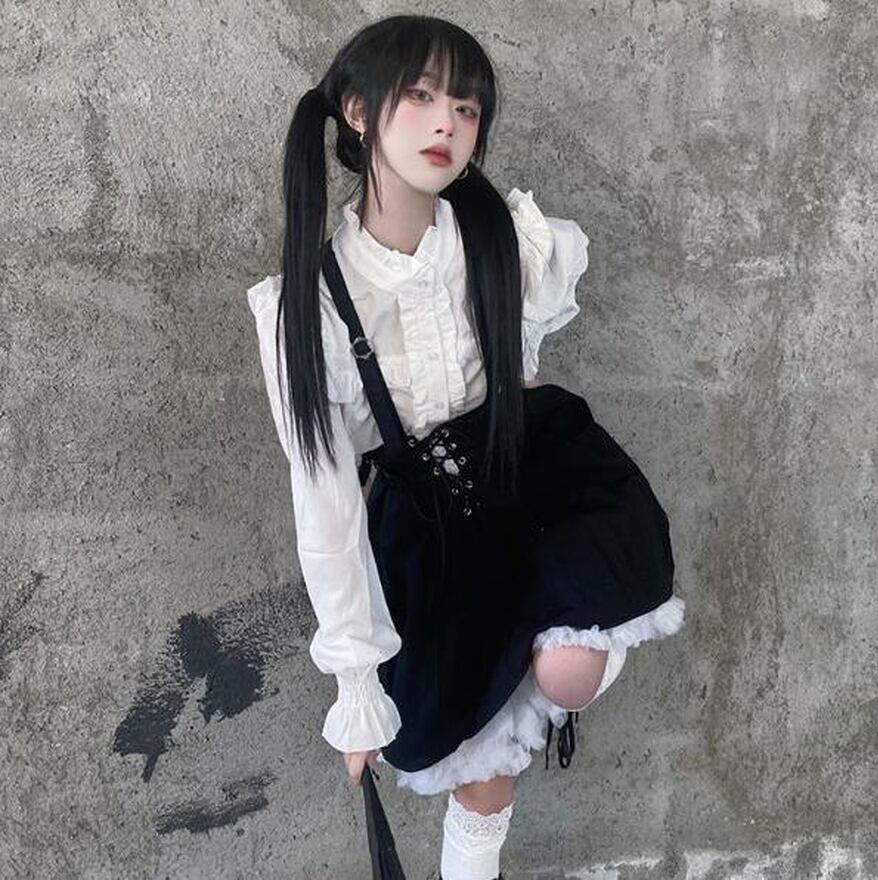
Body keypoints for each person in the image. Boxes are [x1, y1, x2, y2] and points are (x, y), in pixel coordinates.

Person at [245, 14, 686, 880]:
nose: (447, 122)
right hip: (430, 537)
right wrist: (356, 684)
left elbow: (520, 364)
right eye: (419, 96)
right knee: (481, 773)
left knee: (565, 672)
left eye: (467, 106)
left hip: (534, 491)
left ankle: (542, 660)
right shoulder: (308, 306)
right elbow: (325, 506)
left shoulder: (500, 235)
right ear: (358, 111)